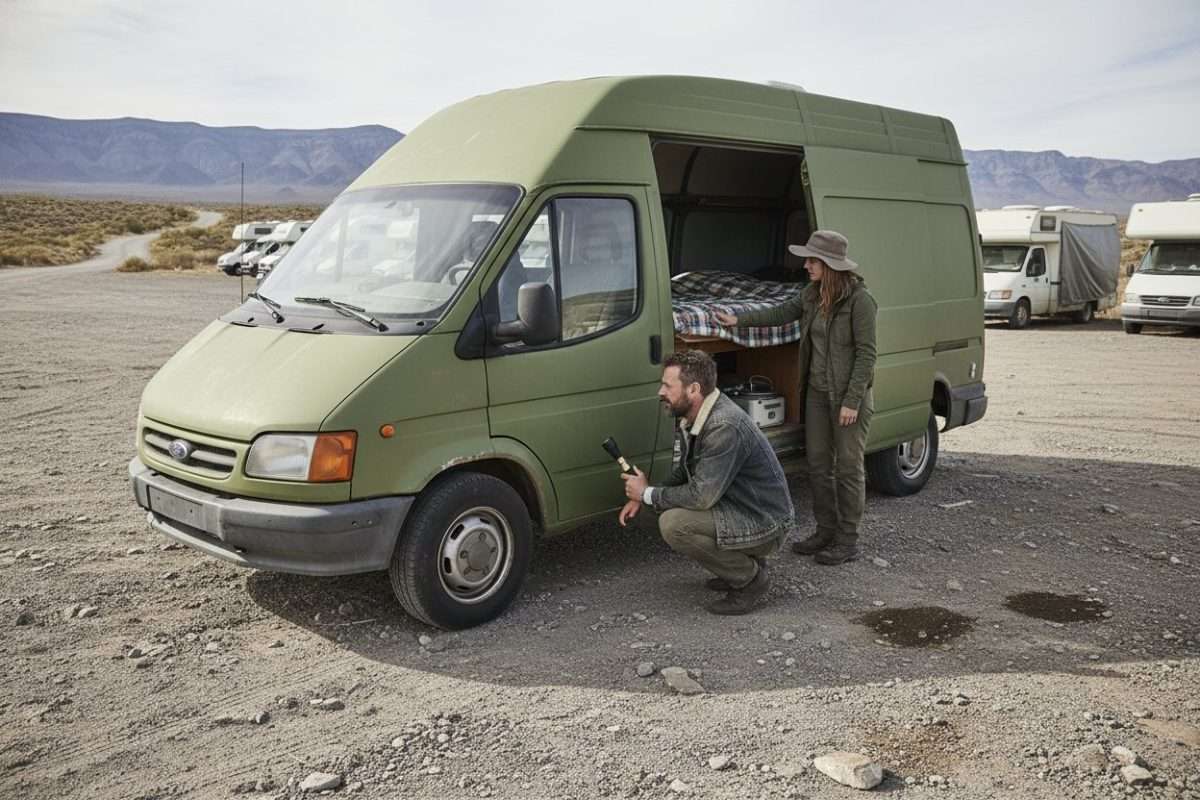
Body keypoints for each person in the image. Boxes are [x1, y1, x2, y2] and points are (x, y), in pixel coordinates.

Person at [714, 230, 877, 565]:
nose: (806, 265)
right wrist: (738, 319)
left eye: (812, 260)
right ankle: (825, 531)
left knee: (848, 468)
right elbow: (779, 313)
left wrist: (852, 400)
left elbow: (867, 355)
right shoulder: (811, 294)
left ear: (830, 265)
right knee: (818, 464)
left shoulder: (861, 301)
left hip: (849, 398)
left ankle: (848, 540)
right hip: (817, 394)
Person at [618, 350, 794, 615]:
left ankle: (750, 579)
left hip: (765, 522)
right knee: (650, 512)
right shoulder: (693, 415)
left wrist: (648, 493)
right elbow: (685, 471)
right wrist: (644, 495)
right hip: (738, 508)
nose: (660, 392)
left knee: (673, 524)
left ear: (694, 389)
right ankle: (739, 563)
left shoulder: (724, 425)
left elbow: (701, 497)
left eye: (667, 385)